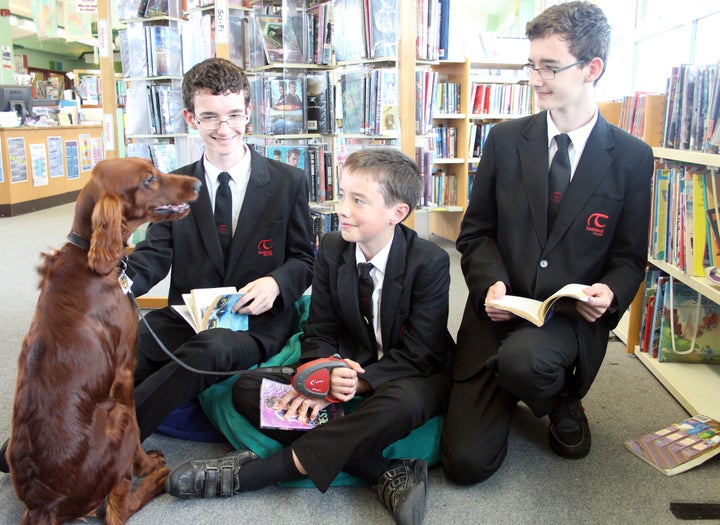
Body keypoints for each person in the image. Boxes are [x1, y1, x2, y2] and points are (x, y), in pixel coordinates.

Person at [165, 147, 455, 525]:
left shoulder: (429, 262)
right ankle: (382, 470)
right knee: (247, 389)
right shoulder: (333, 248)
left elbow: (419, 355)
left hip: (411, 375)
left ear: (397, 214)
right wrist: (321, 375)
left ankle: (255, 474)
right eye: (343, 195)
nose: (342, 209)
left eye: (358, 201)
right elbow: (319, 329)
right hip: (349, 364)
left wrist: (355, 384)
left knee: (402, 403)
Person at [440, 1, 653, 485]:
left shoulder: (632, 158)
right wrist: (489, 283)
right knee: (466, 464)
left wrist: (612, 294)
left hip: (565, 320)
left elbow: (627, 258)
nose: (536, 78)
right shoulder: (503, 139)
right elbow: (475, 232)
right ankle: (533, 385)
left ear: (592, 68)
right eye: (531, 65)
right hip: (497, 311)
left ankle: (560, 397)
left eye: (550, 67)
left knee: (525, 361)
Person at [127, 57, 315, 442]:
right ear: (190, 118)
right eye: (210, 117)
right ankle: (42, 438)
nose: (224, 128)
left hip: (253, 323)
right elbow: (155, 255)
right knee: (120, 349)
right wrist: (119, 283)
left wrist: (276, 284)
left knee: (210, 348)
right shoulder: (173, 187)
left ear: (249, 112)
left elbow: (304, 258)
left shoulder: (288, 182)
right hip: (186, 316)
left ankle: (114, 440)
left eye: (233, 114)